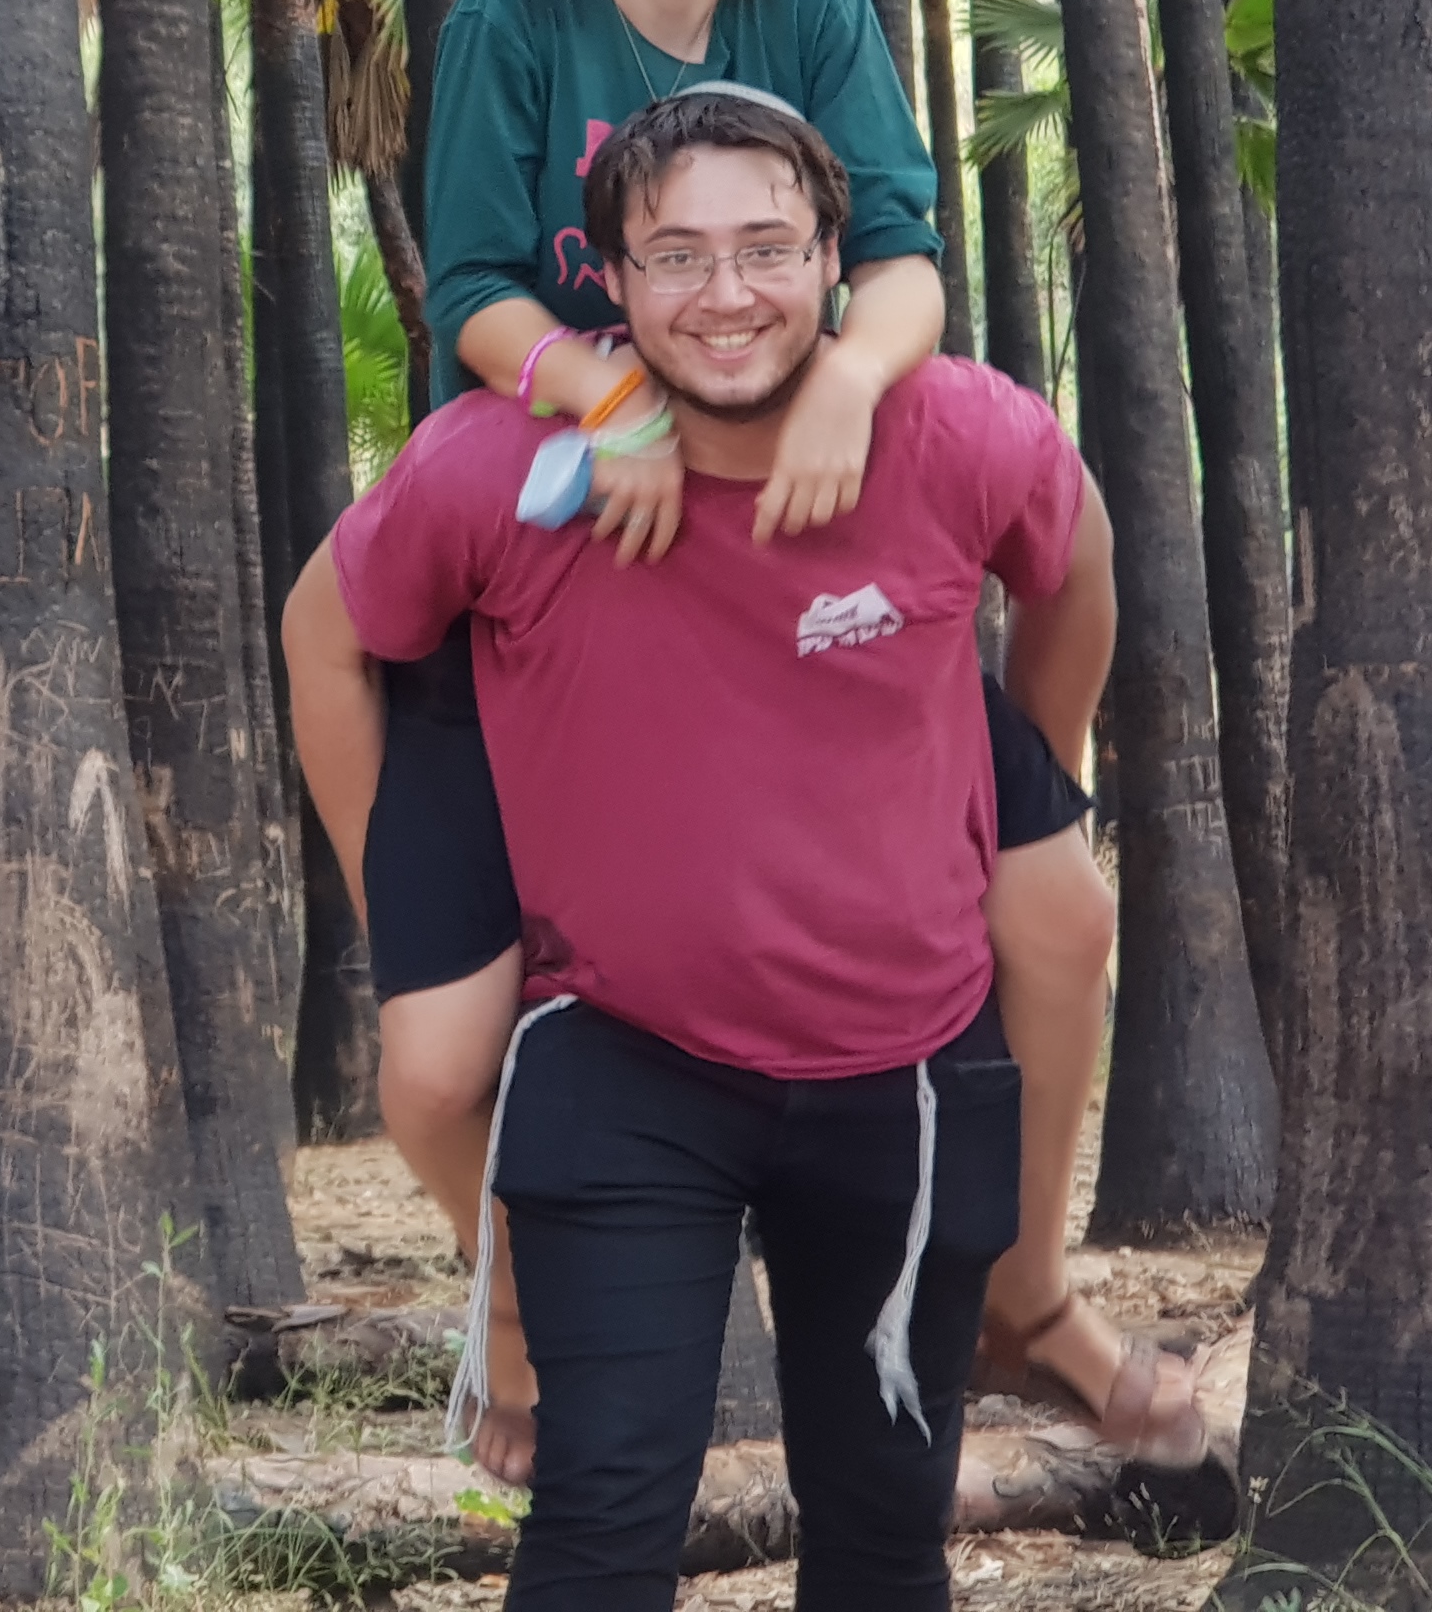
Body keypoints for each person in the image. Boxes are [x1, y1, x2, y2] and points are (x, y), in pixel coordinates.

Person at [293, 0, 1191, 1477]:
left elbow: (906, 260)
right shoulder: (519, 8)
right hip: (569, 539)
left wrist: (851, 387)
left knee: (1062, 915)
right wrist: (609, 394)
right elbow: (471, 290)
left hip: (802, 540)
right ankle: (512, 1298)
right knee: (437, 1070)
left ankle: (1022, 1296)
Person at [287, 89, 1107, 1608]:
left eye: (766, 248)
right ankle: (510, 1313)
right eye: (675, 256)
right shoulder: (492, 469)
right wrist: (394, 903)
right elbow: (324, 631)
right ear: (611, 281)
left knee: (884, 1539)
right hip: (624, 1057)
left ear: (834, 258)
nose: (726, 294)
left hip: (908, 1078)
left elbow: (1075, 557)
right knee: (604, 1518)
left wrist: (1035, 790)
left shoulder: (959, 432)